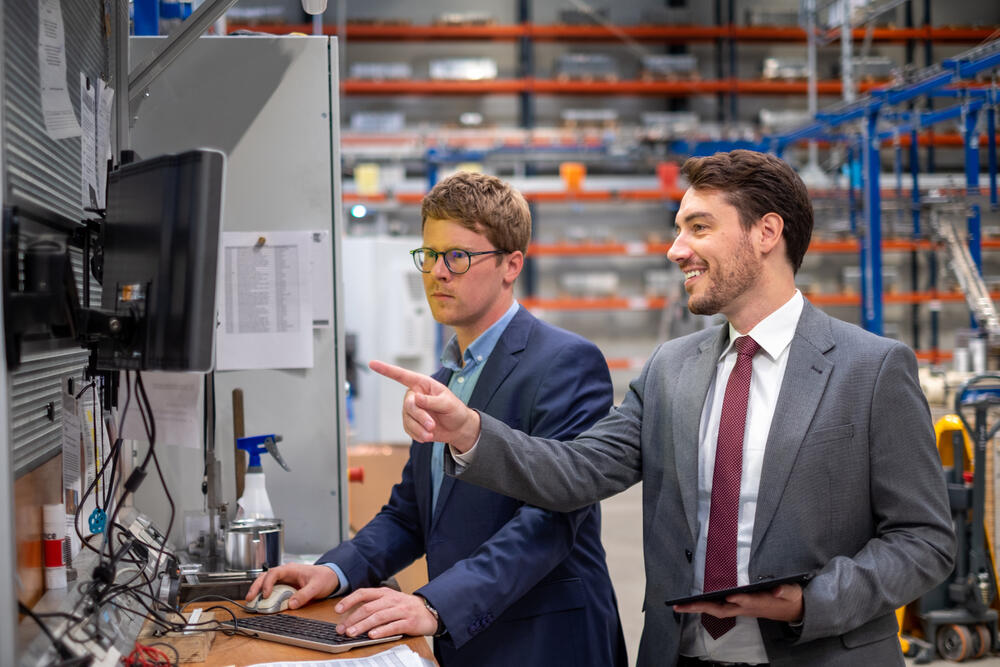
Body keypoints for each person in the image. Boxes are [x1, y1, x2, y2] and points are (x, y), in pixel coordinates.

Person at [371, 150, 956, 667]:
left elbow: (924, 540)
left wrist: (811, 601)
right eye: (678, 229)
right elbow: (578, 472)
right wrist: (470, 430)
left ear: (766, 233)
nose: (677, 249)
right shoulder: (671, 368)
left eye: (699, 227)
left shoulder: (871, 368)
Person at [248, 171, 627, 666]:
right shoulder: (445, 376)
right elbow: (410, 513)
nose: (438, 272)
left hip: (544, 641)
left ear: (512, 265)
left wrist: (433, 603)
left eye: (458, 257)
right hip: (464, 636)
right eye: (429, 255)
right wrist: (336, 571)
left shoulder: (565, 363)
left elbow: (549, 524)